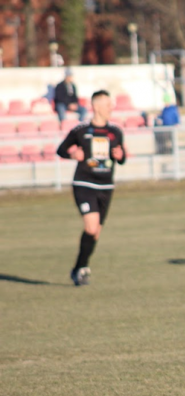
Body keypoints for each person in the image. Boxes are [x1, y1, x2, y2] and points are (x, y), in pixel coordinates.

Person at [56, 90, 126, 286]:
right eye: (107, 104)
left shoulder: (116, 132)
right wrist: (72, 154)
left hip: (106, 186)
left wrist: (120, 156)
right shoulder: (81, 130)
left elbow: (121, 158)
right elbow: (61, 149)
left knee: (95, 233)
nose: (111, 108)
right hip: (84, 184)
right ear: (96, 106)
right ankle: (81, 269)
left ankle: (79, 267)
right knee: (91, 226)